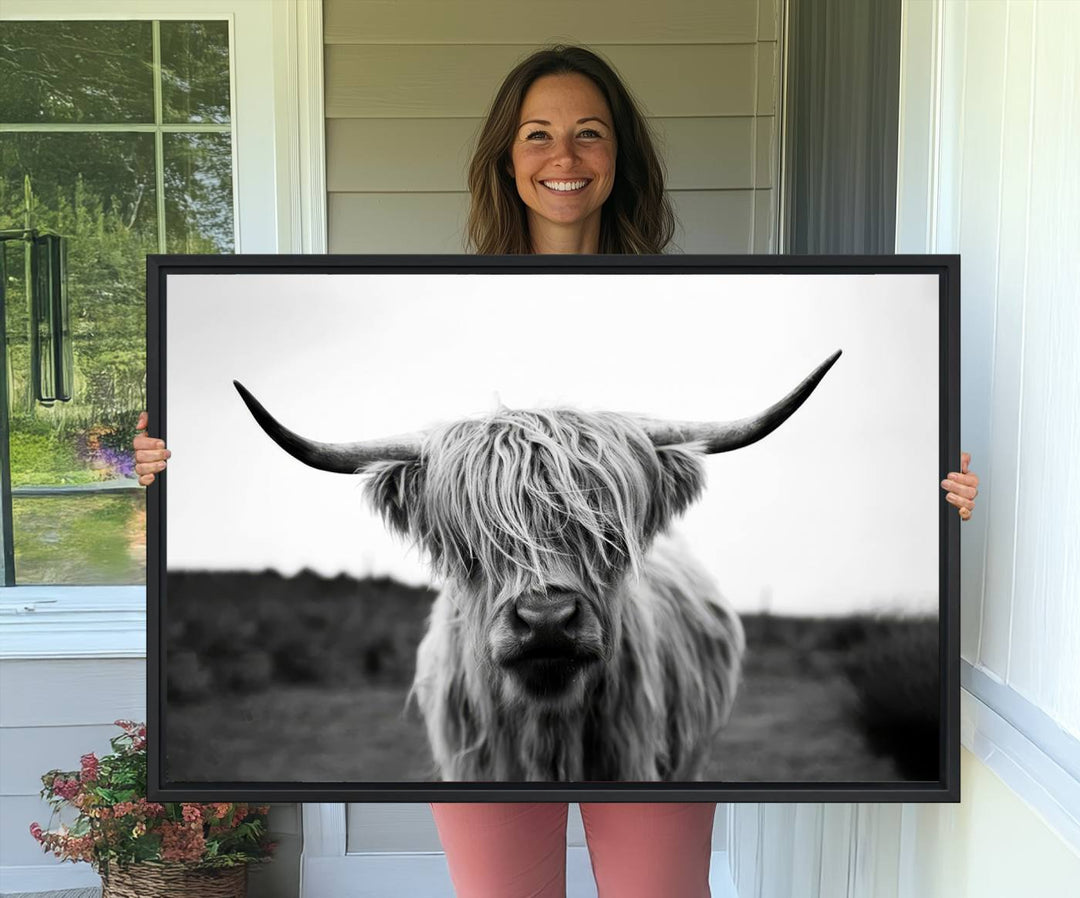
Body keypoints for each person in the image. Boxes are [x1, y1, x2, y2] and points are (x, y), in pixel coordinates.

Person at [134, 45, 980, 898]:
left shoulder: (692, 290)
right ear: (507, 158)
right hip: (480, 701)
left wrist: (947, 497)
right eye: (537, 135)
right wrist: (162, 470)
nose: (564, 158)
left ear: (621, 158)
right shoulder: (425, 286)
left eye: (590, 135)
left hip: (639, 679)